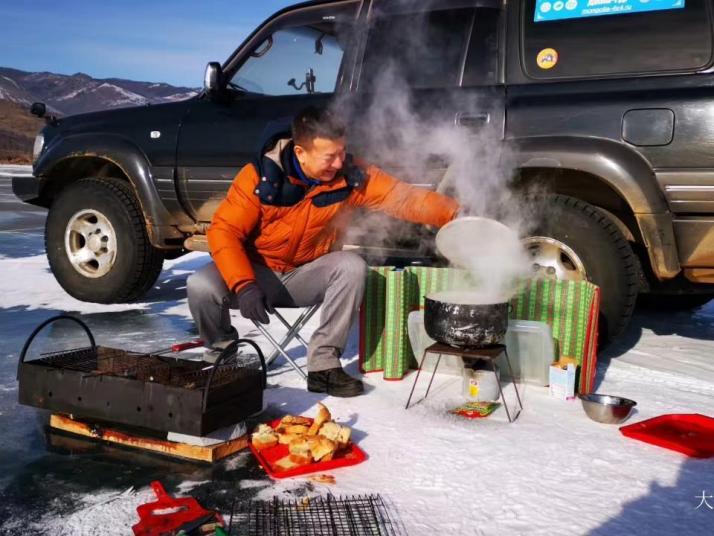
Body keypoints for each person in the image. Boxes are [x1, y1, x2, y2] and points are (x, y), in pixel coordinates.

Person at [187, 106, 459, 397]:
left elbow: (402, 198)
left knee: (351, 265)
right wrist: (244, 284)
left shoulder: (351, 175)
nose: (339, 162)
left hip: (308, 273)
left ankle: (323, 367)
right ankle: (222, 354)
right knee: (200, 285)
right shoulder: (258, 178)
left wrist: (455, 214)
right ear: (300, 152)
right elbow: (224, 231)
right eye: (330, 157)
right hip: (258, 275)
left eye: (342, 152)